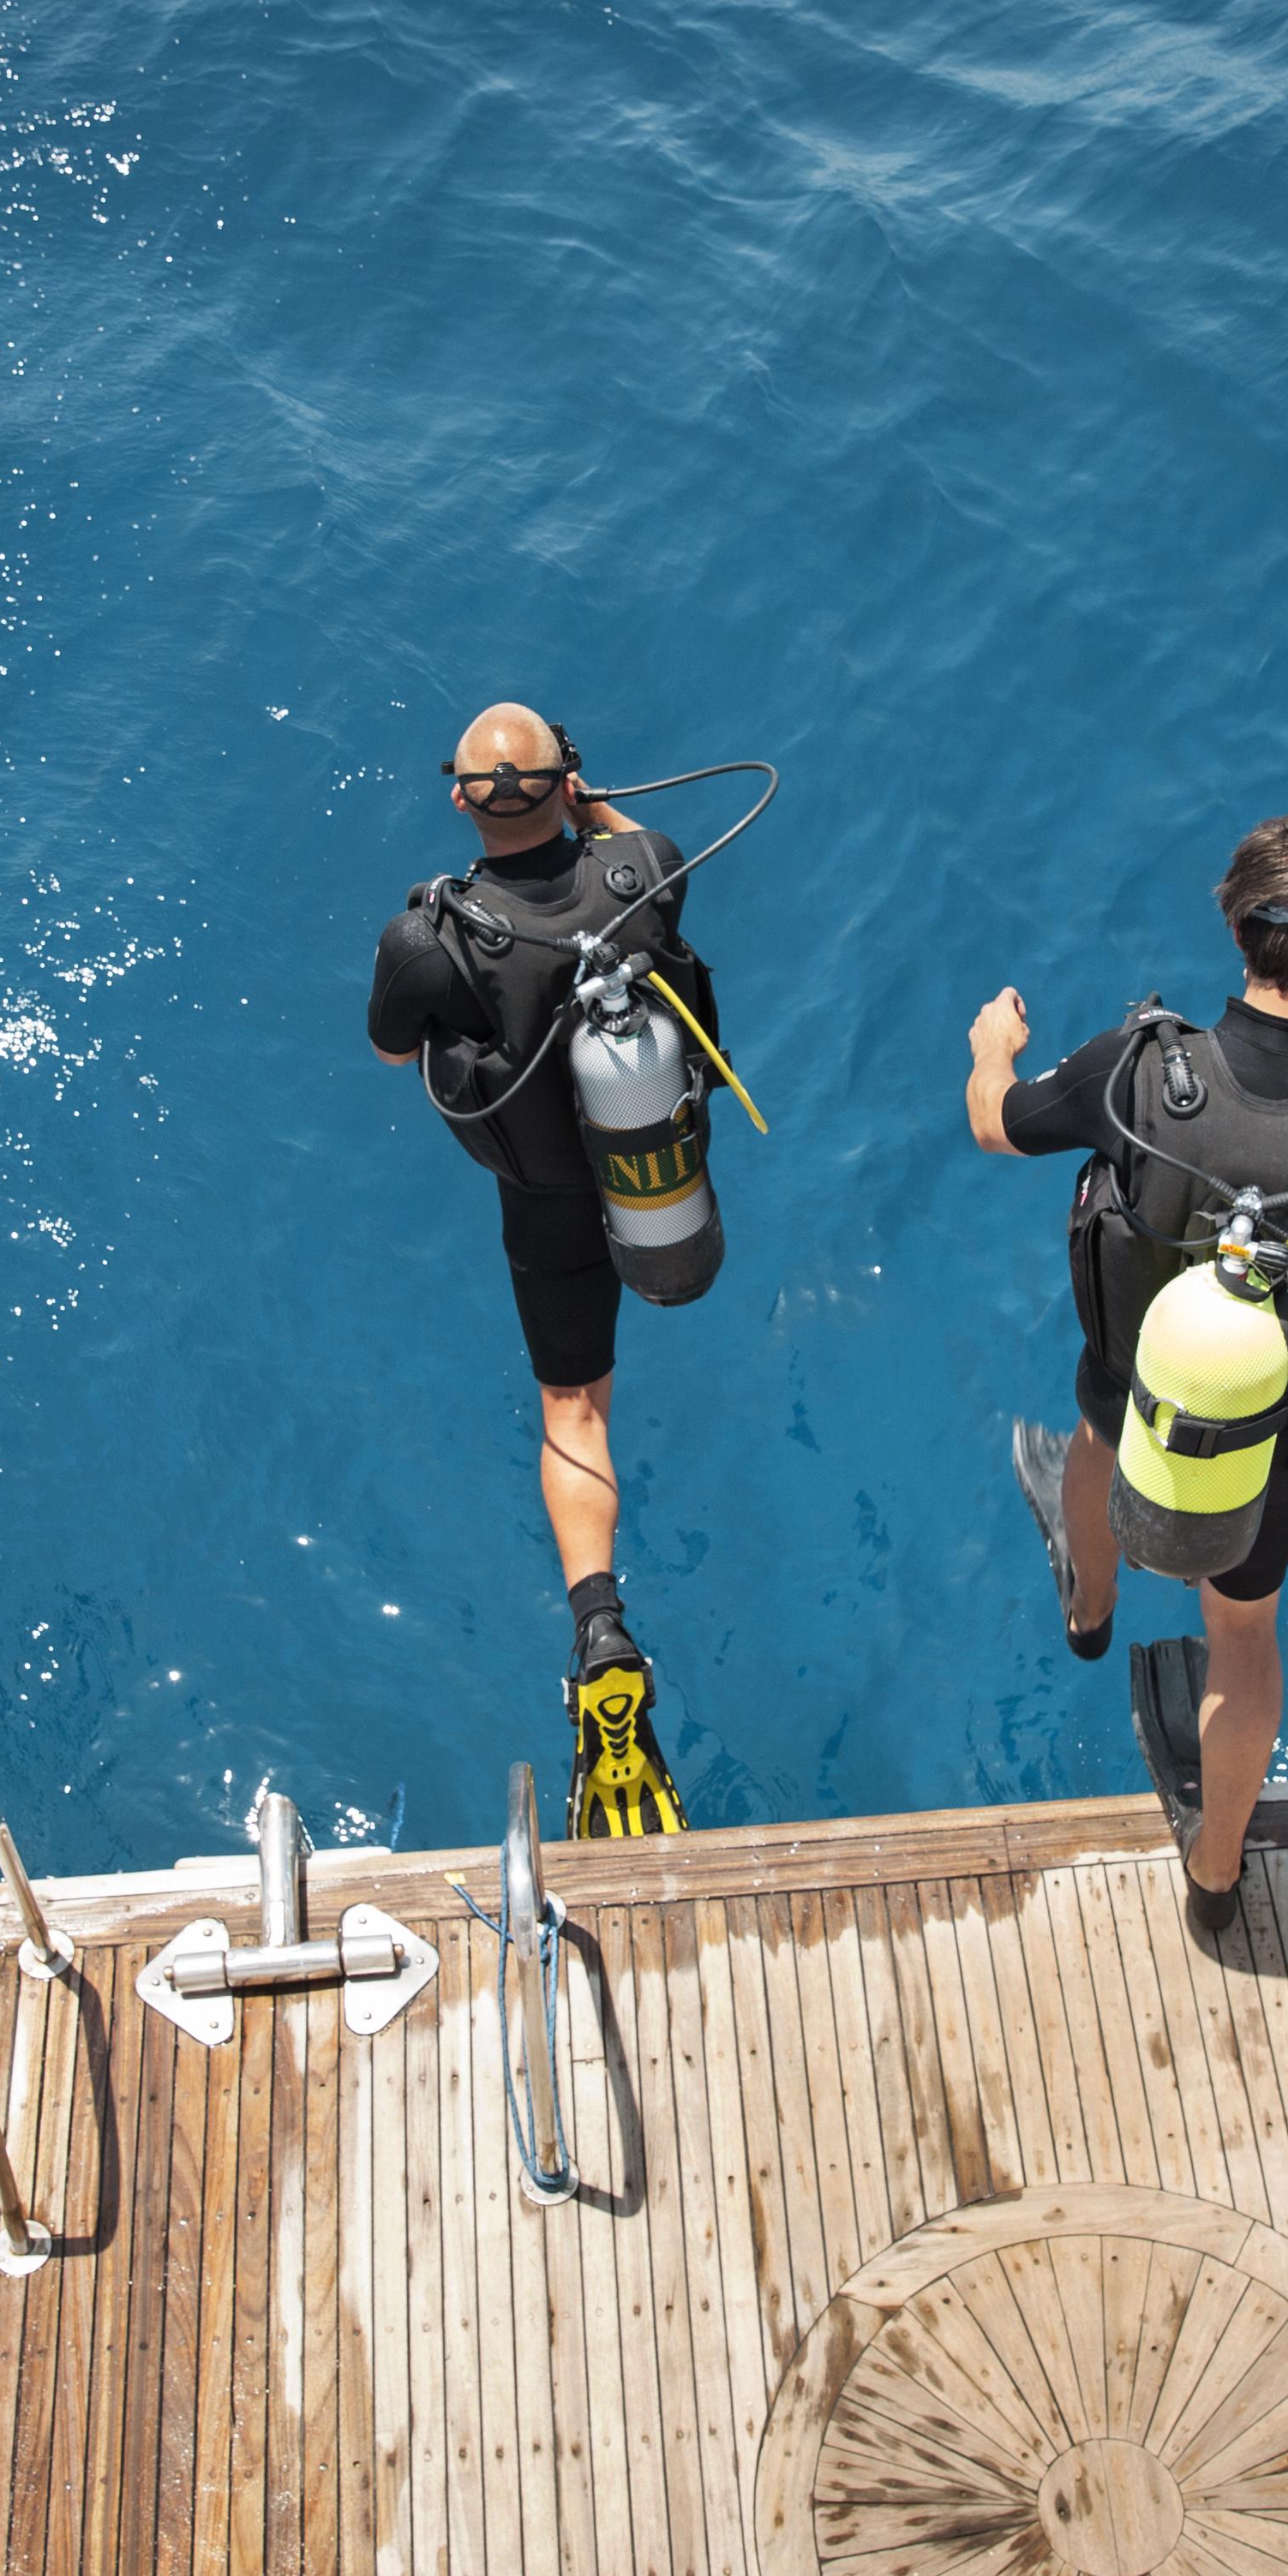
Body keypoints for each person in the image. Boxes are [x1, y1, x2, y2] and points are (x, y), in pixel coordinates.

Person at [963, 812, 1288, 1933]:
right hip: (1275, 1437)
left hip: (1133, 1379)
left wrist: (994, 1045)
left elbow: (998, 1127)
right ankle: (1218, 1881)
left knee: (1093, 1442)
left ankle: (1089, 1615)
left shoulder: (1136, 1069)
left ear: (1235, 924)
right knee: (1241, 1632)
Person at [366, 702, 725, 1827]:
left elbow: (390, 1048)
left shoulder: (429, 937)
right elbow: (631, 857)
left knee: (574, 1409)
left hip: (551, 1209)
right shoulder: (649, 867)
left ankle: (600, 1624)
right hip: (661, 1178)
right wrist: (587, 798)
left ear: (462, 800)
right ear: (570, 784)